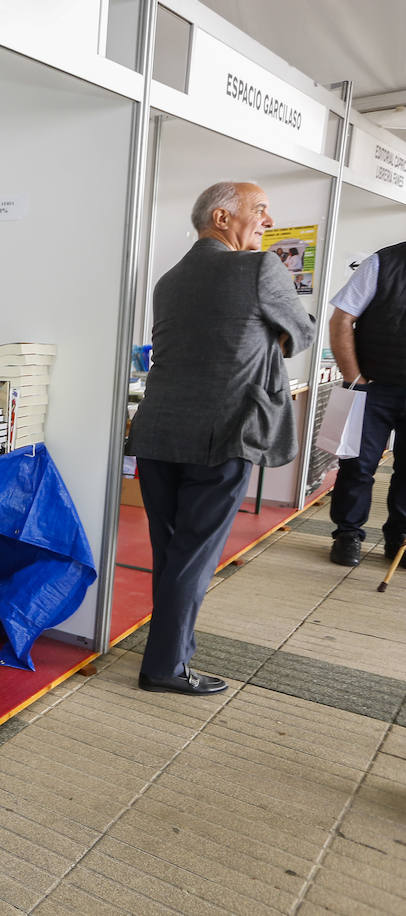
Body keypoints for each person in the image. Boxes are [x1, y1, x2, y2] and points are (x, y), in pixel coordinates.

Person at [128, 181, 315, 695]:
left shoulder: (169, 279)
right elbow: (301, 332)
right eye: (259, 210)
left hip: (157, 430)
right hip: (223, 434)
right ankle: (165, 667)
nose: (268, 221)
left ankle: (169, 655)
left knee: (170, 551)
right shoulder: (259, 268)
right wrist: (270, 334)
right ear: (221, 217)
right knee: (194, 556)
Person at [325, 242, 406, 567]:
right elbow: (342, 319)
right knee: (357, 464)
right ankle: (347, 534)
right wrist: (354, 378)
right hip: (371, 387)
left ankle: (398, 537)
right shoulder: (382, 263)